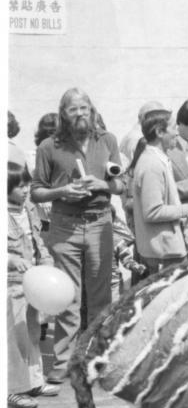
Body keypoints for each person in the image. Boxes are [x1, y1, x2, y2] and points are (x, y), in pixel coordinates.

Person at [30, 88, 125, 387]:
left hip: (100, 222)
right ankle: (64, 363)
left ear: (92, 110)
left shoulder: (107, 140)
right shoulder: (49, 146)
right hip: (65, 225)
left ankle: (98, 359)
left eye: (84, 108)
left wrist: (103, 185)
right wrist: (62, 192)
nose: (80, 113)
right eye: (73, 109)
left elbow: (120, 184)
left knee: (100, 297)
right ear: (64, 114)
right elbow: (36, 191)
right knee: (68, 298)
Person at [129, 110, 188, 276]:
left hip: (167, 249)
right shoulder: (152, 165)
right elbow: (153, 212)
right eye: (173, 127)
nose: (177, 132)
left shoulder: (158, 159)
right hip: (162, 253)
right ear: (160, 132)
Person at [7, 163, 54, 408]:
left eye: (27, 184)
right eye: (20, 186)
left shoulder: (29, 209)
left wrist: (46, 262)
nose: (26, 190)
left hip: (34, 281)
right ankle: (13, 389)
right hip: (11, 284)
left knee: (33, 332)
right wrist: (11, 260)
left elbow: (38, 242)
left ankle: (35, 381)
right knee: (14, 337)